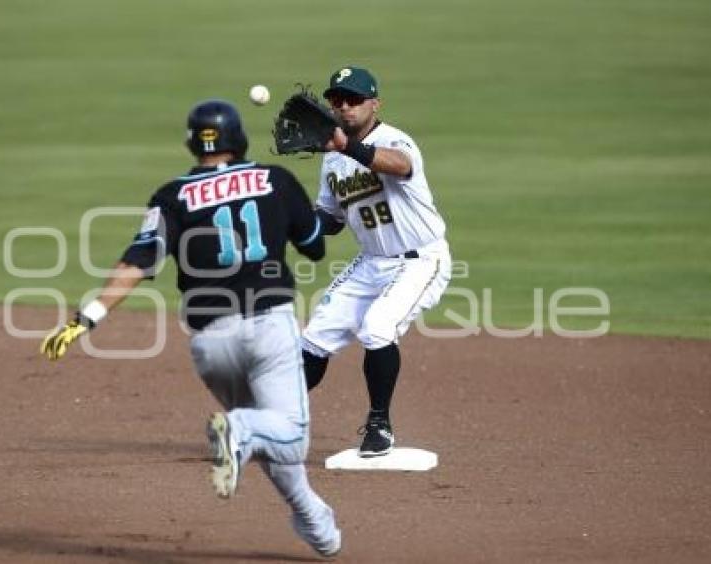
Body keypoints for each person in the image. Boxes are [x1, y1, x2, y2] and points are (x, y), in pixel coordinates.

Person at [40, 99, 341, 557]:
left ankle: (312, 519)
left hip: (211, 343)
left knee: (266, 432)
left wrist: (88, 317)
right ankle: (237, 433)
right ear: (238, 138)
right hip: (269, 327)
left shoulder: (171, 196)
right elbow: (315, 246)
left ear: (191, 143)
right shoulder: (275, 180)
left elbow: (138, 262)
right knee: (287, 432)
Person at [301, 66, 453, 457]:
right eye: (337, 100)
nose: (344, 107)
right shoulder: (332, 161)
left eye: (353, 100)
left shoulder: (394, 139)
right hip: (371, 262)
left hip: (421, 259)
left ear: (374, 104)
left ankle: (380, 426)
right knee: (314, 338)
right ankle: (270, 421)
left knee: (377, 327)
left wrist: (346, 147)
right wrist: (293, 223)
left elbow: (399, 166)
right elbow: (331, 219)